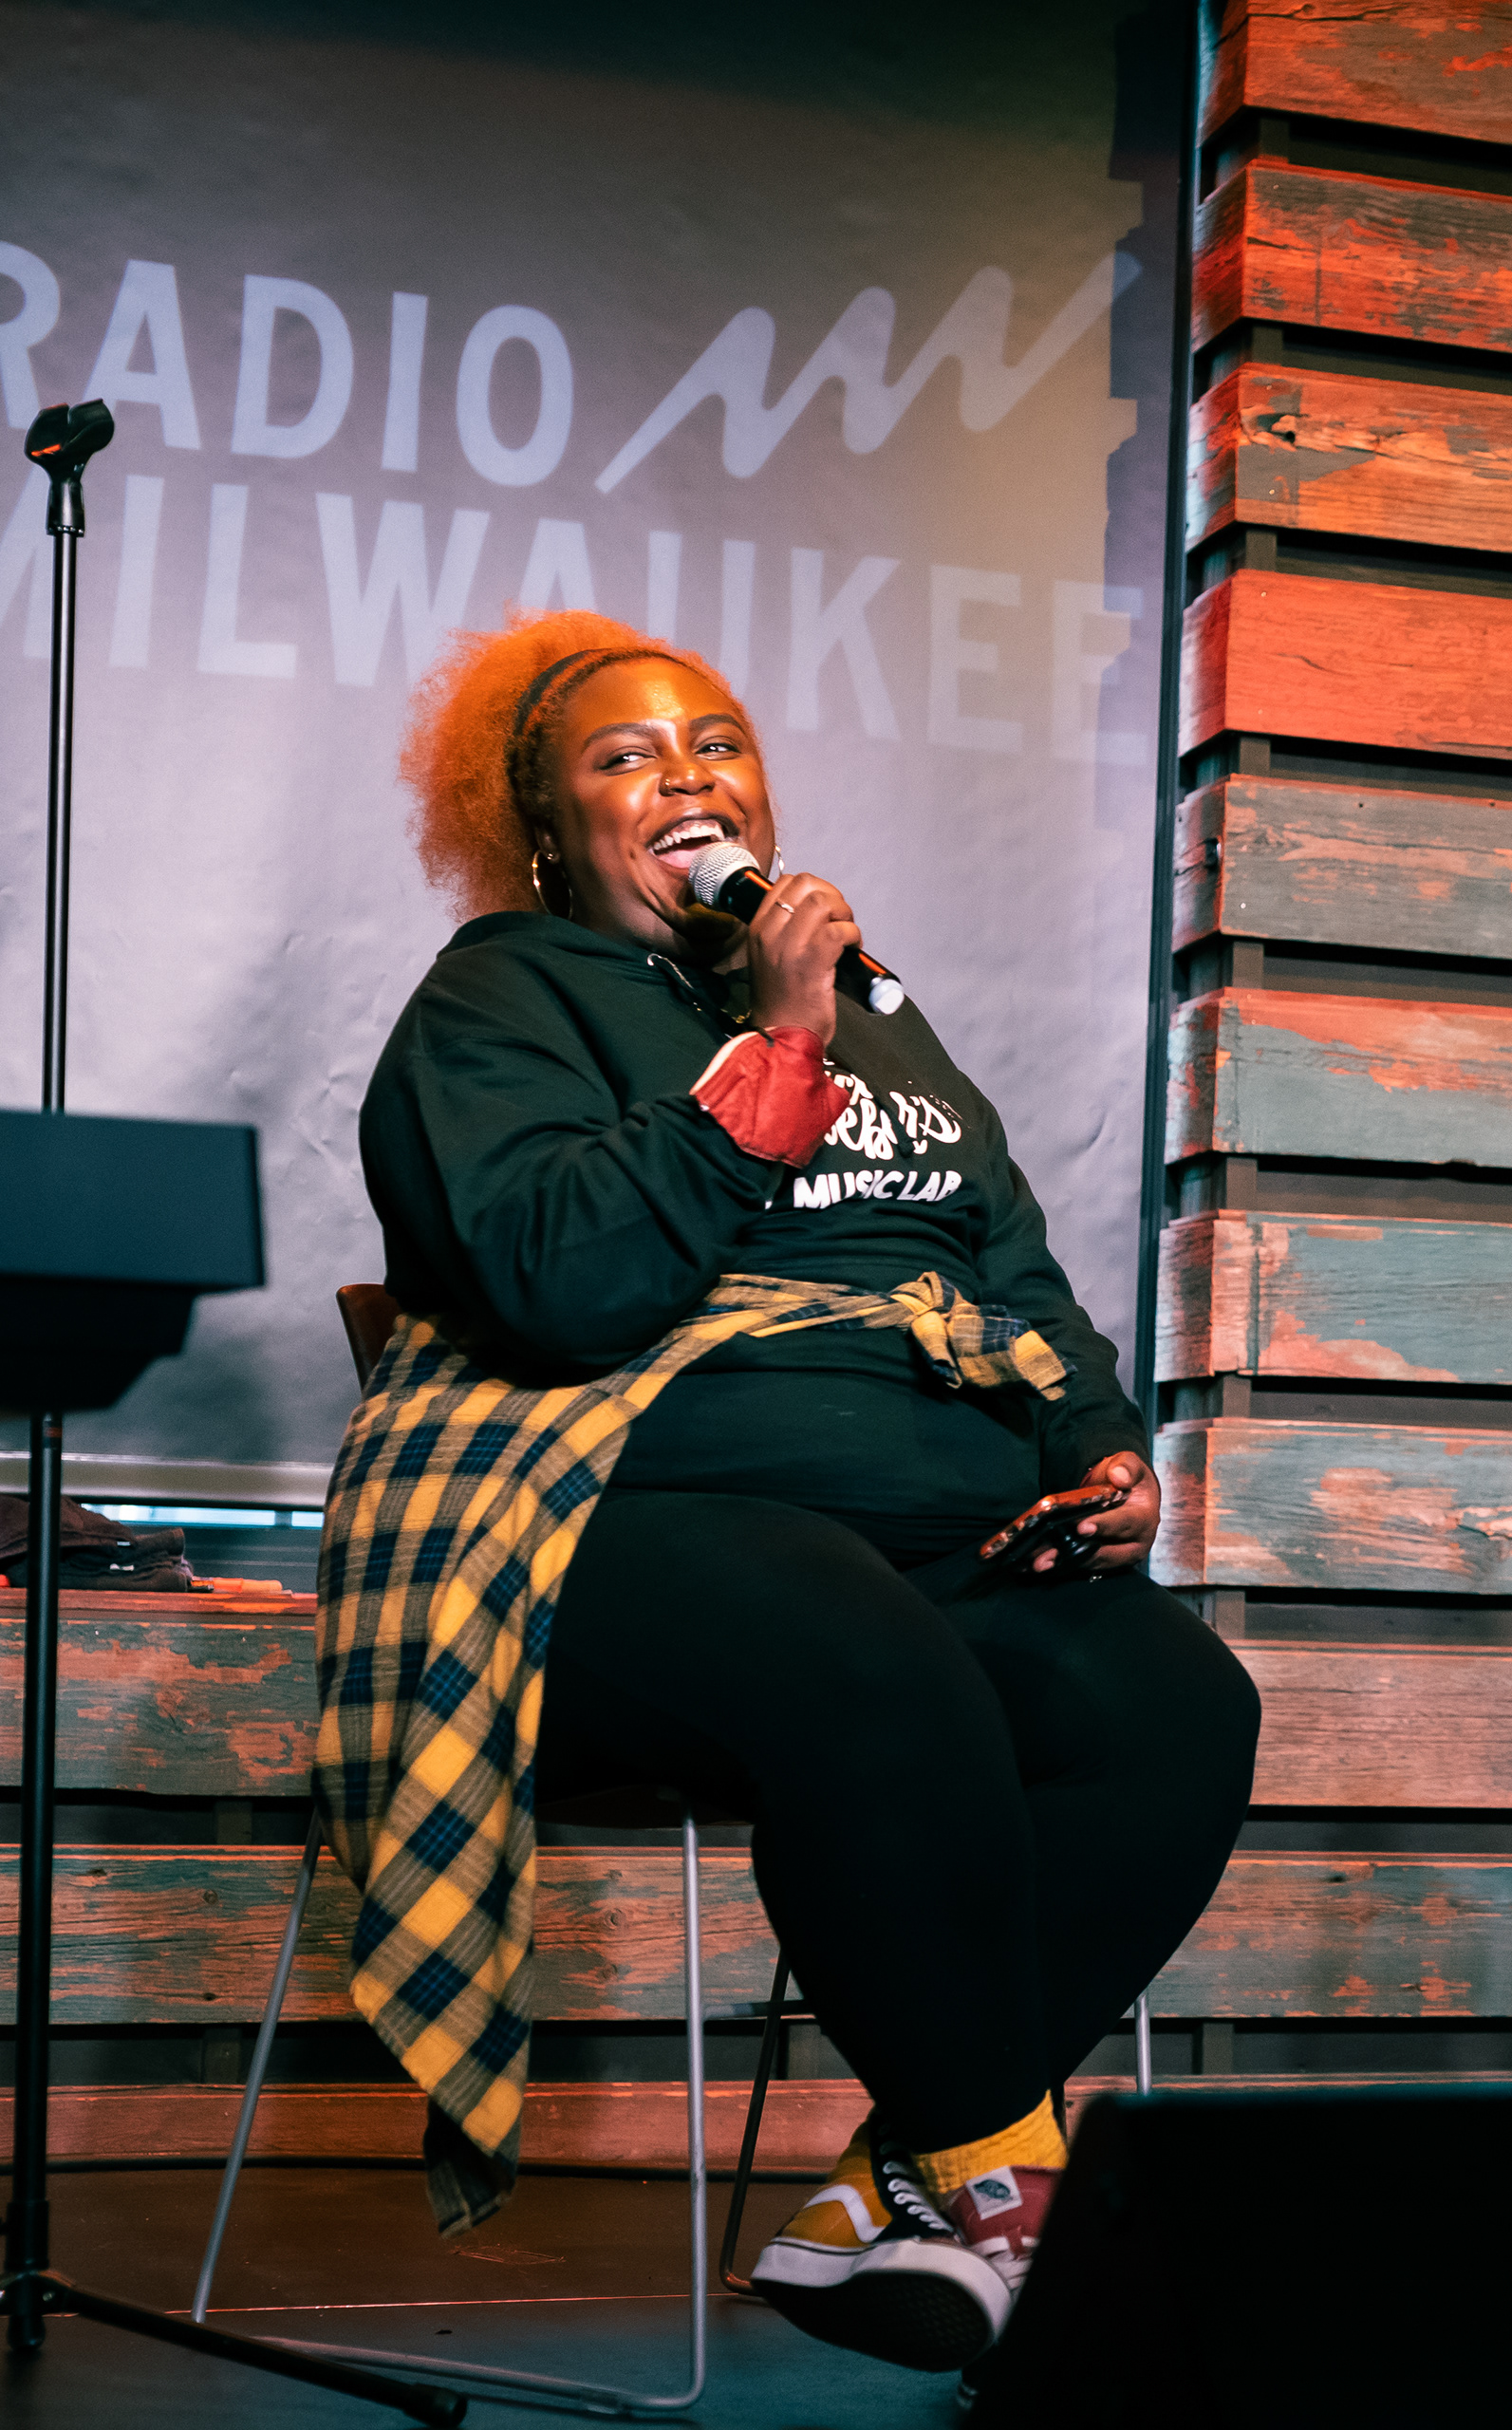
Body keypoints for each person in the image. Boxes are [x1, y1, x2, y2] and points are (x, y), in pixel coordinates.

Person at [326, 608, 1258, 2376]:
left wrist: (1098, 1451)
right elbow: (551, 1281)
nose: (685, 774)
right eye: (625, 757)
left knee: (1173, 1705)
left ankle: (900, 2188)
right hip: (611, 1536)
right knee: (865, 1655)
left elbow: (1010, 1272)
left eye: (718, 742)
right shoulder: (504, 996)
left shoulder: (883, 1021)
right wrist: (771, 1049)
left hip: (934, 1537)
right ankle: (1006, 2186)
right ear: (547, 828)